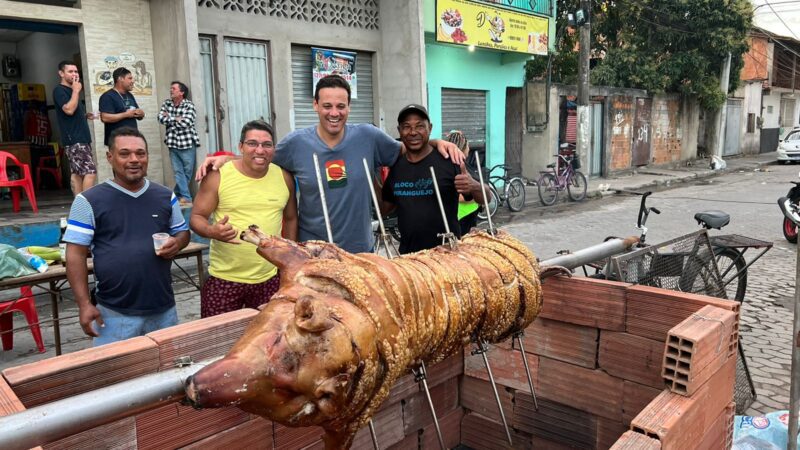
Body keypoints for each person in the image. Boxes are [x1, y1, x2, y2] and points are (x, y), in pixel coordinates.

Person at [196, 74, 463, 253]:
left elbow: (410, 145)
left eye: (340, 106)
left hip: (361, 250)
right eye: (327, 106)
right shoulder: (296, 144)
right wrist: (226, 158)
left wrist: (439, 142)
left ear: (348, 106)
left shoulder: (369, 137)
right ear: (315, 105)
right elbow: (260, 157)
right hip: (314, 250)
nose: (334, 113)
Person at [64, 127, 190, 346]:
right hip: (114, 313)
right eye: (125, 154)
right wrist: (84, 304)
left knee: (167, 375)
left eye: (141, 153)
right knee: (118, 376)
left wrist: (177, 242)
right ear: (110, 157)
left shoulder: (164, 195)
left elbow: (182, 232)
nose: (134, 159)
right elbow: (74, 254)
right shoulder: (88, 201)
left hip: (164, 310)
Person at [190, 120, 298, 317]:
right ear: (240, 147)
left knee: (267, 341)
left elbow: (290, 219)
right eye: (252, 143)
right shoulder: (218, 176)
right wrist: (211, 231)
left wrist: (286, 259)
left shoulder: (283, 177)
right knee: (218, 340)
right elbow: (197, 217)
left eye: (267, 145)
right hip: (224, 279)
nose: (260, 150)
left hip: (270, 278)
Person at [380, 105, 485, 254]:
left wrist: (473, 185)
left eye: (420, 126)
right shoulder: (396, 166)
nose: (413, 132)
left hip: (447, 254)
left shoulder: (449, 159)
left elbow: (485, 198)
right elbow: (384, 209)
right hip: (410, 257)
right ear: (399, 131)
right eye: (406, 127)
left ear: (430, 128)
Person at [53, 61, 97, 195]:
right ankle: (86, 205)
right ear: (61, 73)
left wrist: (84, 115)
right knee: (90, 171)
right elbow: (69, 110)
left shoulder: (71, 91)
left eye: (76, 72)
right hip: (75, 139)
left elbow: (71, 112)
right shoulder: (60, 90)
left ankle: (78, 208)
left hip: (80, 138)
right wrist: (76, 90)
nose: (74, 74)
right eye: (70, 71)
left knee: (77, 174)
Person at [158, 81, 201, 206]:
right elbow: (160, 118)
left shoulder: (189, 105)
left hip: (187, 143)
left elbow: (186, 122)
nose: (171, 90)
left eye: (174, 88)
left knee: (187, 173)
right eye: (171, 88)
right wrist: (176, 118)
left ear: (181, 92)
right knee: (178, 172)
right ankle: (186, 198)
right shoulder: (166, 103)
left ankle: (175, 194)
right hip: (172, 143)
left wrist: (169, 117)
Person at [99, 67, 144, 147]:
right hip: (117, 142)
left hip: (132, 139)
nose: (133, 81)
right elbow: (105, 118)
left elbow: (137, 113)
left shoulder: (130, 95)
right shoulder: (108, 96)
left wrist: (141, 114)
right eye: (129, 78)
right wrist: (126, 114)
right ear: (120, 79)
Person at [446, 130, 480, 233]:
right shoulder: (457, 167)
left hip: (468, 214)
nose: (469, 149)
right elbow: (458, 196)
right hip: (461, 216)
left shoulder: (460, 164)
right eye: (468, 146)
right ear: (463, 148)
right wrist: (477, 196)